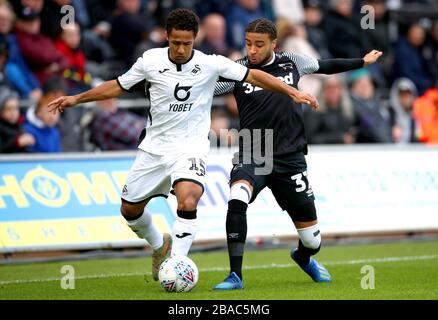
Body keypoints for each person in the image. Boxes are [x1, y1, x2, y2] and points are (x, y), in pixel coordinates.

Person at [47, 9, 319, 282]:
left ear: (195, 39)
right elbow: (118, 86)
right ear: (166, 37)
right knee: (129, 210)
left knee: (188, 197)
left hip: (191, 147)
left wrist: (292, 91)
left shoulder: (211, 63)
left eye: (186, 43)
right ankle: (159, 245)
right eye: (175, 42)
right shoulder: (149, 61)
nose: (180, 48)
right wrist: (76, 98)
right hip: (154, 148)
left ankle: (176, 264)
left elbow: (255, 76)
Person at [212, 18, 382, 290]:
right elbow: (204, 87)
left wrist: (362, 62)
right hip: (254, 151)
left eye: (259, 45)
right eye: (248, 44)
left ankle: (303, 257)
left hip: (290, 157)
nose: (252, 50)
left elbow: (325, 66)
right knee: (237, 196)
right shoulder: (237, 70)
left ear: (273, 44)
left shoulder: (292, 61)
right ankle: (235, 275)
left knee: (312, 240)